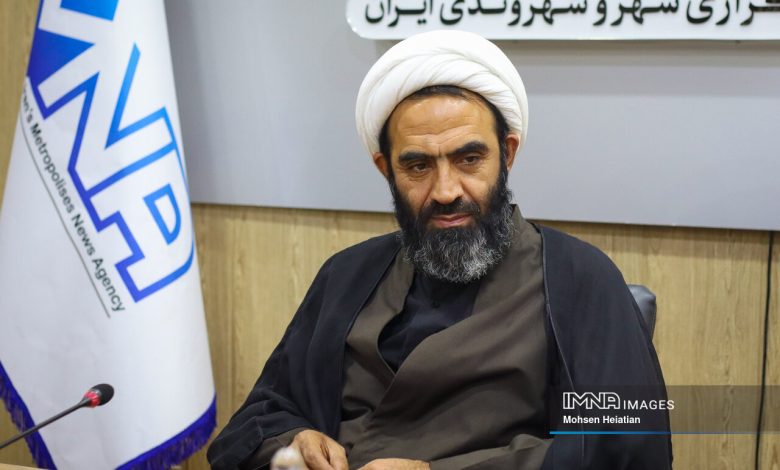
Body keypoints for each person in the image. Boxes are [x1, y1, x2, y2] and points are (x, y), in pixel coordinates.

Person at [207, 30, 672, 470]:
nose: (446, 190)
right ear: (386, 169)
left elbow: (626, 445)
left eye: (469, 159)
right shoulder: (347, 275)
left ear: (507, 154)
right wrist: (295, 438)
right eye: (418, 166)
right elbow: (258, 416)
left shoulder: (579, 278)